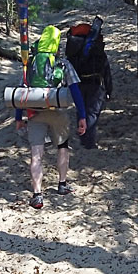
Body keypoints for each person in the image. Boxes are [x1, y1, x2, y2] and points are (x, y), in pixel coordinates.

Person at [15, 25, 87, 209]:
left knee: (36, 154)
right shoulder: (63, 63)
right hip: (59, 113)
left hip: (35, 112)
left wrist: (18, 118)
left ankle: (37, 195)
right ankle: (62, 184)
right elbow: (76, 91)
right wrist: (82, 115)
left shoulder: (30, 63)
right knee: (63, 147)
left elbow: (20, 94)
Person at [65, 20, 113, 149]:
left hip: (78, 83)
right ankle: (89, 143)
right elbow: (106, 70)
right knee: (92, 113)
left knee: (81, 110)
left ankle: (82, 138)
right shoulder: (97, 50)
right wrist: (109, 90)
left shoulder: (75, 51)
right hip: (95, 84)